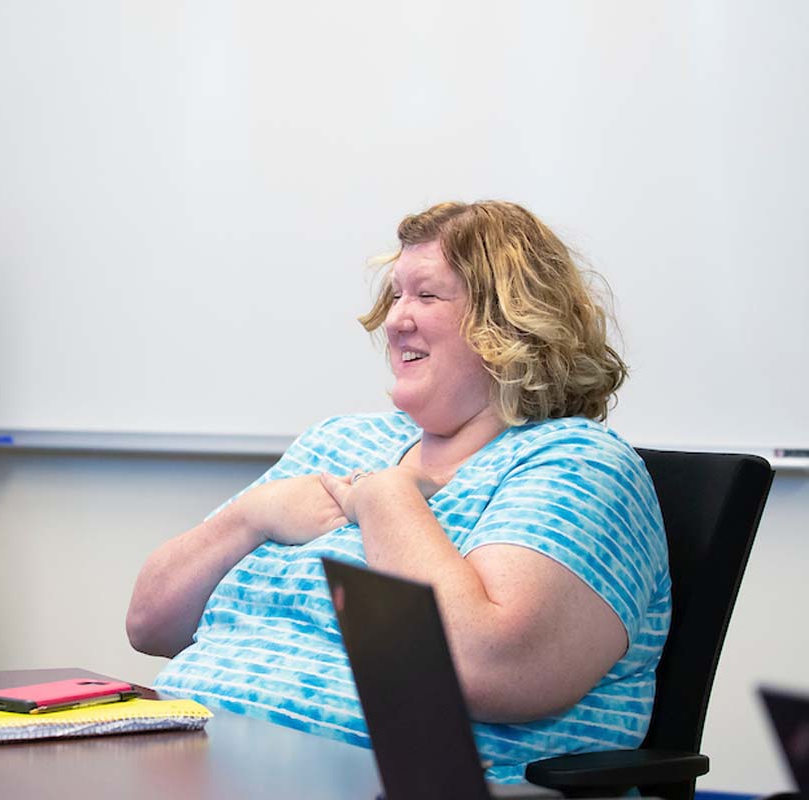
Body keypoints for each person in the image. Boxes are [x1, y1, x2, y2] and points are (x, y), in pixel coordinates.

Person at [126, 201, 672, 783]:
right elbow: (149, 624)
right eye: (395, 296)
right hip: (185, 759)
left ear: (513, 320)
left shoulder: (577, 462)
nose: (393, 321)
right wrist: (251, 516)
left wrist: (385, 501)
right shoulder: (339, 440)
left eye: (426, 296)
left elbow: (489, 668)